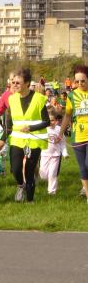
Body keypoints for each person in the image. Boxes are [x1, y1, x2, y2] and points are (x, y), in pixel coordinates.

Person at [6, 68, 50, 202]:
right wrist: (2, 139)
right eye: (13, 82)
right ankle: (20, 185)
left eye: (18, 83)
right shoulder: (12, 99)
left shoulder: (39, 99)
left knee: (30, 171)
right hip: (17, 139)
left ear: (27, 83)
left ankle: (30, 200)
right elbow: (8, 123)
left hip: (34, 140)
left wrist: (31, 127)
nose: (14, 85)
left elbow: (47, 121)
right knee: (15, 168)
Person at [60, 65, 88, 201]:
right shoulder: (71, 95)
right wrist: (60, 132)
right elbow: (67, 116)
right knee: (83, 167)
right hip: (78, 136)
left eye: (83, 80)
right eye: (77, 81)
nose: (80, 84)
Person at [39, 112, 68, 195]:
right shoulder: (43, 129)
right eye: (49, 120)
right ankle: (47, 180)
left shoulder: (59, 129)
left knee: (52, 174)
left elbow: (63, 143)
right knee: (43, 175)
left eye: (52, 120)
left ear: (56, 121)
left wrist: (65, 153)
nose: (50, 122)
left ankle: (52, 191)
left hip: (55, 155)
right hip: (44, 154)